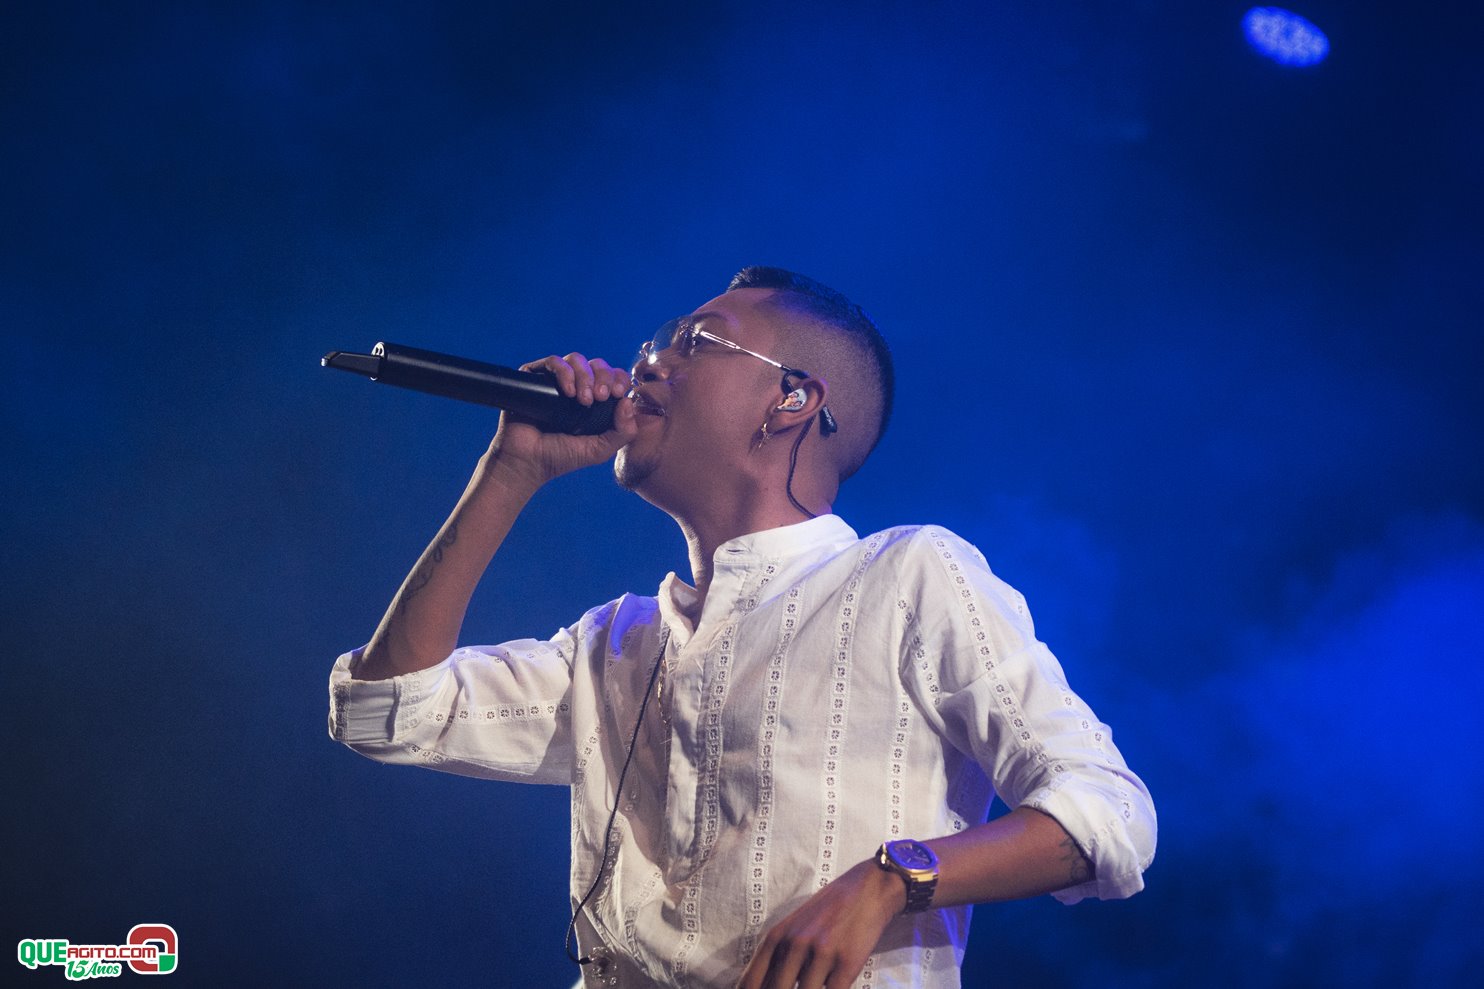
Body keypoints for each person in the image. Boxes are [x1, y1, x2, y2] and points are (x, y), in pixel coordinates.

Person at [329, 267, 1156, 989]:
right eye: (656, 344)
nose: (649, 363)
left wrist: (889, 878)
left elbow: (1110, 812)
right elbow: (385, 711)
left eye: (695, 342)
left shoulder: (907, 574)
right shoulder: (616, 642)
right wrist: (509, 471)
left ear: (792, 399)